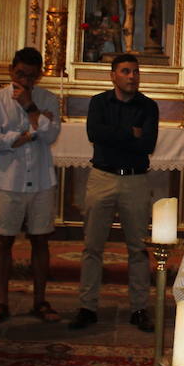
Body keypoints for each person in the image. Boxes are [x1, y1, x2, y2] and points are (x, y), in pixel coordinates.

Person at [69, 54, 159, 332]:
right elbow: (95, 134)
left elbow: (147, 144)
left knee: (137, 248)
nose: (132, 76)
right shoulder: (98, 102)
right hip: (102, 178)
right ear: (113, 75)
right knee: (92, 246)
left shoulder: (148, 106)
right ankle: (87, 307)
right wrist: (129, 134)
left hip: (135, 181)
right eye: (126, 71)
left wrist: (122, 136)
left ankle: (140, 308)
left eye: (135, 71)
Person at [0, 47, 61, 325]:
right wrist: (29, 133)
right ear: (11, 70)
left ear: (38, 75)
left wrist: (30, 108)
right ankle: (0, 302)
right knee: (4, 240)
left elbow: (51, 134)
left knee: (40, 240)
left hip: (40, 181)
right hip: (9, 182)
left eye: (30, 75)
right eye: (20, 74)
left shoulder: (47, 99)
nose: (24, 80)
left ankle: (40, 300)